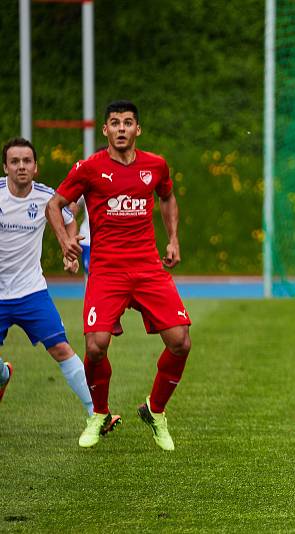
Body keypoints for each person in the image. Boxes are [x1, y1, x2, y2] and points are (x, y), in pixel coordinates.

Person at [46, 100, 191, 451]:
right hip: (107, 270)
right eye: (115, 123)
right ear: (106, 130)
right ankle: (98, 414)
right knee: (95, 347)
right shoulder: (90, 168)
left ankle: (155, 411)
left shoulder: (155, 165)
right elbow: (55, 204)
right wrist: (65, 241)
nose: (122, 128)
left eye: (128, 123)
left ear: (137, 129)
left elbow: (167, 197)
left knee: (180, 341)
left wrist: (172, 238)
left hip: (148, 268)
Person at [0, 138, 117, 431]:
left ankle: (97, 413)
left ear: (36, 167)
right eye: (15, 162)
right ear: (5, 168)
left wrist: (69, 247)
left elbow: (68, 215)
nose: (21, 167)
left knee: (61, 348)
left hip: (31, 292)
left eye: (27, 161)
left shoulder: (45, 196)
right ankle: (3, 374)